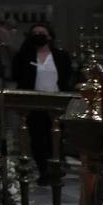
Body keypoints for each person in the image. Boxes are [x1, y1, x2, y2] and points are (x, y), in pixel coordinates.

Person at [13, 21, 75, 185]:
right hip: (34, 102)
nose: (39, 36)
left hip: (56, 102)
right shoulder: (24, 56)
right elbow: (16, 75)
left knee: (56, 136)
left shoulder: (61, 56)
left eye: (43, 33)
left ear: (50, 36)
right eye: (36, 34)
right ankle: (43, 170)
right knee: (38, 137)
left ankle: (56, 166)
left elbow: (67, 76)